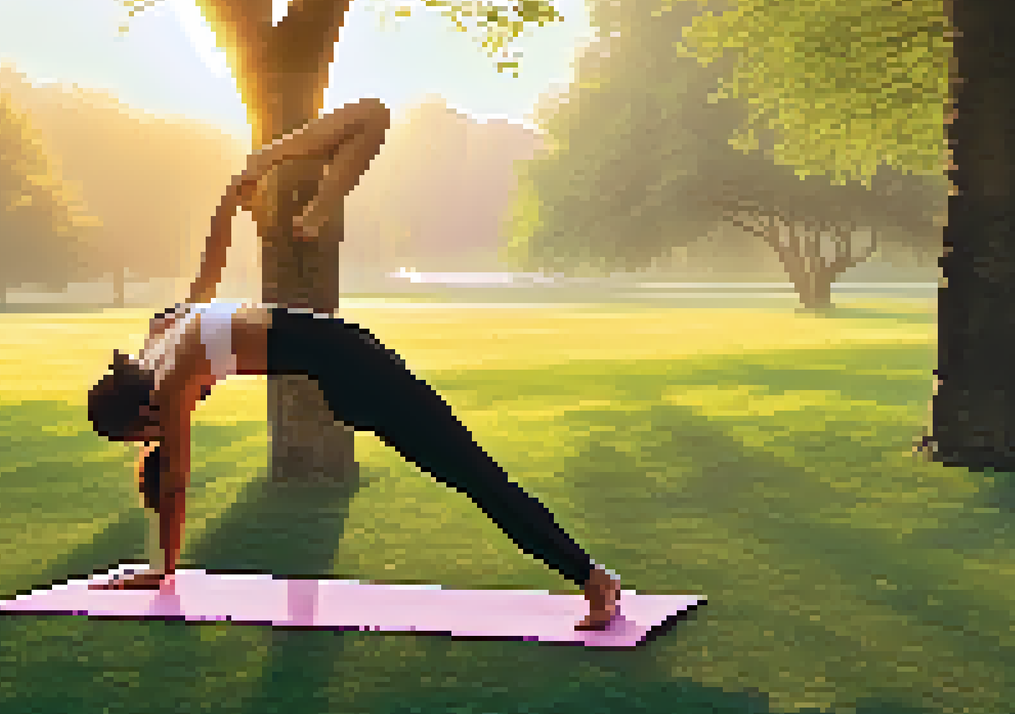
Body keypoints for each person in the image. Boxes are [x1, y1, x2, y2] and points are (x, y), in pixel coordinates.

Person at [86, 98, 623, 630]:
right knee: (467, 474)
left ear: (138, 416)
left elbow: (175, 481)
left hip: (357, 367)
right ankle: (590, 577)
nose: (149, 439)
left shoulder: (171, 379)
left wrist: (162, 570)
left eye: (139, 436)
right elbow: (211, 266)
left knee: (474, 475)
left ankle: (594, 579)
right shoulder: (165, 328)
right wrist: (233, 199)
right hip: (343, 375)